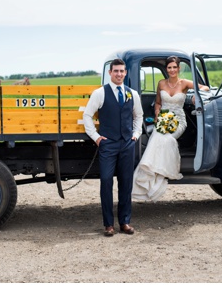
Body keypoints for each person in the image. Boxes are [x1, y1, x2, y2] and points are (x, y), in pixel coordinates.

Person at [132, 56, 209, 201]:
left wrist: (195, 97)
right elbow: (158, 102)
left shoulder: (184, 83)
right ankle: (150, 173)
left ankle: (161, 171)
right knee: (157, 137)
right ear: (166, 69)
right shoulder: (161, 83)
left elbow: (205, 88)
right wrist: (157, 114)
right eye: (169, 67)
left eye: (174, 67)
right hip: (163, 118)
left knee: (166, 139)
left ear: (179, 68)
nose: (172, 70)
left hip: (178, 120)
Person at [83, 58, 143, 237]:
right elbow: (87, 116)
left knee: (126, 183)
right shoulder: (100, 93)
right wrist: (96, 137)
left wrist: (135, 135)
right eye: (116, 71)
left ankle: (125, 222)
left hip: (126, 144)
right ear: (110, 73)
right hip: (108, 144)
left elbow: (138, 116)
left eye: (122, 71)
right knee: (107, 181)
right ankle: (108, 224)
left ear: (125, 73)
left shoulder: (132, 94)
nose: (119, 74)